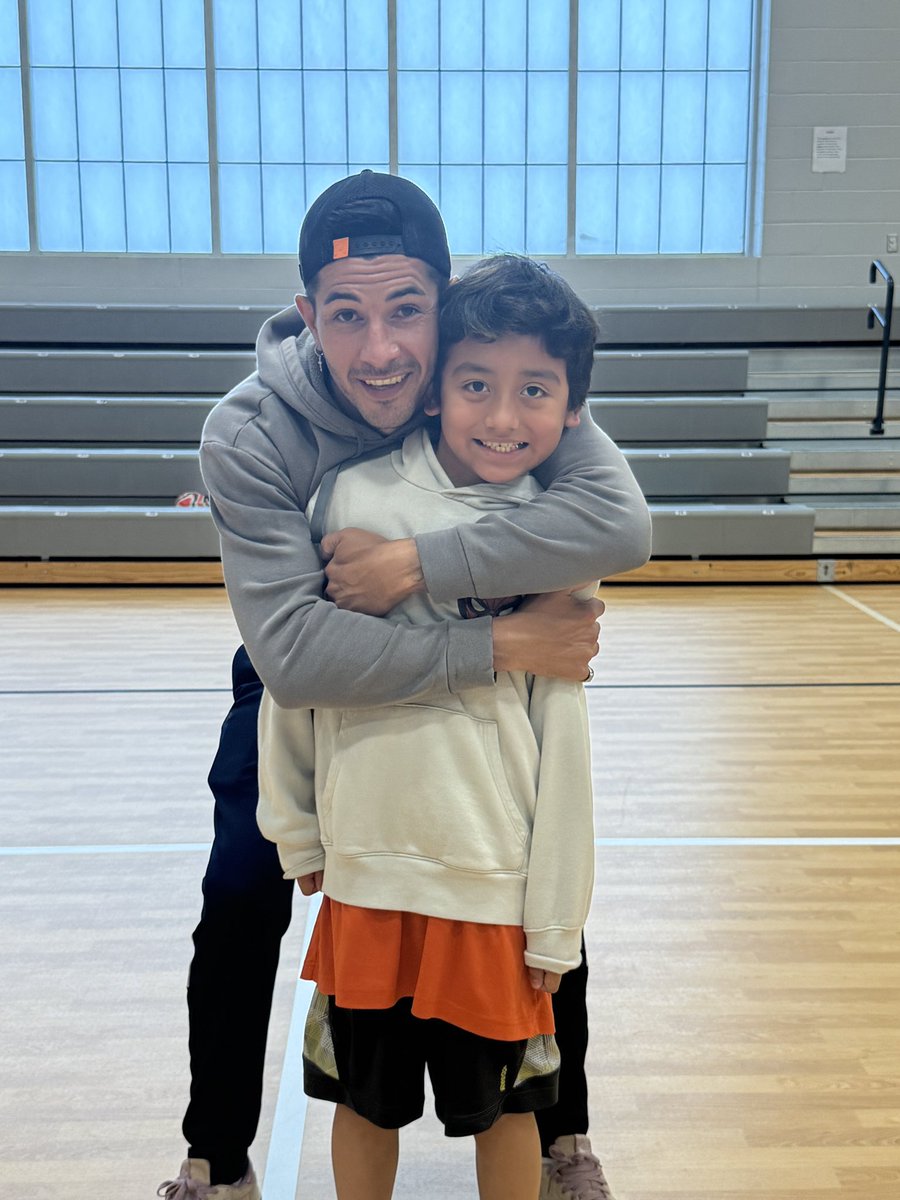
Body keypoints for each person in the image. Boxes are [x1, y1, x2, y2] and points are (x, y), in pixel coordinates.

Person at [158, 171, 651, 1200]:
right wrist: (502, 643)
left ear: (444, 301)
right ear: (309, 318)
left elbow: (619, 524)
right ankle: (217, 1158)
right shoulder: (250, 433)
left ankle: (562, 1139)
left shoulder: (491, 374)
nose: (380, 349)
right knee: (240, 886)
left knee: (532, 893)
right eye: (347, 316)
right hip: (310, 659)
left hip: (489, 670)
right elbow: (298, 658)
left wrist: (417, 566)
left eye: (405, 312)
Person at [256, 252, 601, 1200]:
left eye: (535, 390)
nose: (501, 416)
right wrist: (297, 828)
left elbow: (564, 737)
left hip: (492, 887)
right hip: (366, 878)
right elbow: (302, 679)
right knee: (362, 1105)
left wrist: (556, 917)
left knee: (510, 1113)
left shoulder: (559, 534)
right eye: (476, 384)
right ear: (437, 386)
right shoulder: (353, 500)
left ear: (574, 409)